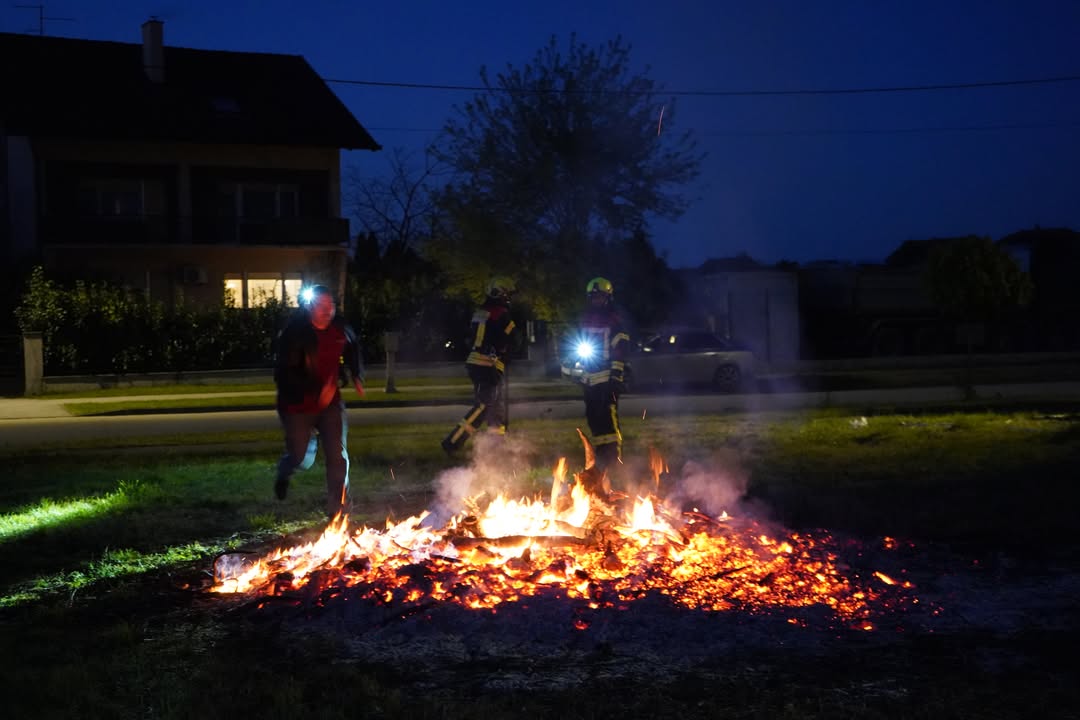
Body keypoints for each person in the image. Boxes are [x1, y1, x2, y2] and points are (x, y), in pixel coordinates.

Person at [273, 284, 364, 518]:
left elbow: (353, 346)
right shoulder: (294, 333)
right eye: (322, 305)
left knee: (337, 457)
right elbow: (284, 375)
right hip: (297, 405)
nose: (327, 310)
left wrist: (356, 374)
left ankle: (338, 511)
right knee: (301, 458)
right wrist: (316, 391)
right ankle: (285, 469)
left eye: (330, 305)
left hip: (330, 404)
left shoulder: (339, 328)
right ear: (310, 307)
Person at [442, 276, 518, 453]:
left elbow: (474, 337)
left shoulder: (481, 312)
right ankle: (452, 443)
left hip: (477, 362)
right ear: (501, 294)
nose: (508, 297)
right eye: (507, 294)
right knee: (483, 406)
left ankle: (496, 446)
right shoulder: (502, 314)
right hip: (487, 365)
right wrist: (506, 353)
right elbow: (512, 340)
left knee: (495, 408)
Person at [572, 276, 629, 475]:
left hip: (607, 381)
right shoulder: (585, 320)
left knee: (608, 422)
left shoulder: (614, 320)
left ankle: (614, 461)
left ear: (608, 298)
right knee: (593, 419)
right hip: (590, 381)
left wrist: (615, 378)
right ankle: (601, 458)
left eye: (600, 297)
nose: (596, 300)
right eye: (593, 297)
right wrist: (576, 371)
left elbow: (620, 351)